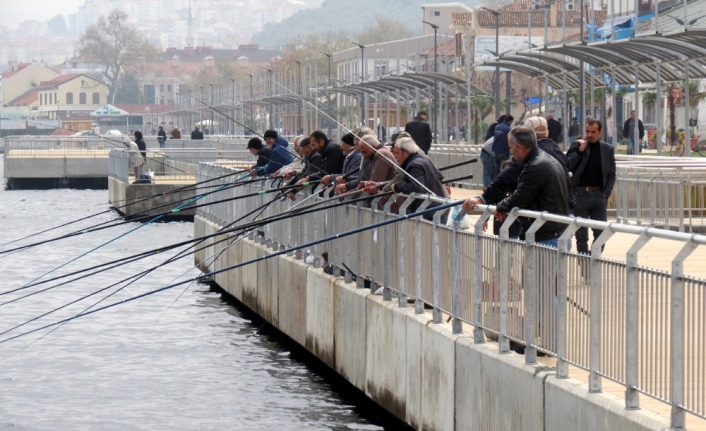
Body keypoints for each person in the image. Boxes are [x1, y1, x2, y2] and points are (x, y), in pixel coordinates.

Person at [463, 126, 569, 246]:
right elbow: (504, 179)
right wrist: (482, 199)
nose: (510, 152)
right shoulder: (537, 159)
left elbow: (520, 198)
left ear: (519, 147)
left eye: (510, 147)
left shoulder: (535, 167)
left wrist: (501, 207)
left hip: (547, 236)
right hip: (550, 233)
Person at [567, 119, 616, 255]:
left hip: (598, 196)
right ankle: (585, 266)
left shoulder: (607, 149)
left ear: (600, 132)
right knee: (581, 236)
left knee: (601, 233)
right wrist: (580, 151)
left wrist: (605, 193)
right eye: (587, 131)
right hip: (580, 195)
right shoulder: (576, 146)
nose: (589, 134)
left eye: (593, 132)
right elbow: (568, 166)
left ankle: (593, 259)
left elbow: (612, 174)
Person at [389, 137, 446, 220]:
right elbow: (439, 175)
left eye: (397, 153)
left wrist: (397, 187)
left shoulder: (415, 165)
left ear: (406, 153)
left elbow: (416, 186)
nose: (395, 156)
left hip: (427, 213)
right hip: (435, 209)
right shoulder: (423, 159)